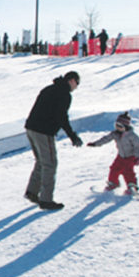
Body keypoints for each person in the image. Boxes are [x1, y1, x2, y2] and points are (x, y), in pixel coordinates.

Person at [24, 71, 83, 211]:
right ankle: (46, 200)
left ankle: (32, 192)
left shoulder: (49, 88)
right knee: (50, 164)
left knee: (41, 161)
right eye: (77, 83)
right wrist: (72, 136)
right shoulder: (64, 94)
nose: (77, 87)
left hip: (31, 128)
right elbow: (62, 117)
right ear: (72, 80)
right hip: (43, 131)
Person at [88, 112, 139, 195]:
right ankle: (113, 183)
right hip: (120, 156)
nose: (117, 128)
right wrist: (95, 144)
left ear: (125, 127)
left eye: (120, 126)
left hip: (130, 157)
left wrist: (137, 157)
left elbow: (138, 146)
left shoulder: (132, 136)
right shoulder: (115, 134)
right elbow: (106, 139)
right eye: (116, 125)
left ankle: (132, 187)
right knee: (114, 169)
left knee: (128, 172)